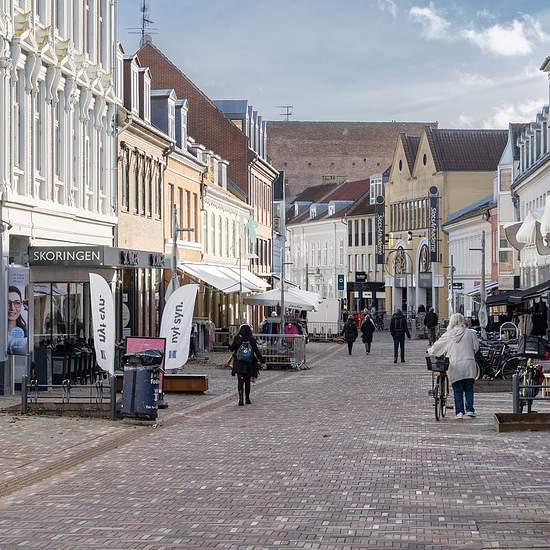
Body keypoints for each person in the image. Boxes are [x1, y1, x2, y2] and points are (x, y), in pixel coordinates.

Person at [427, 312, 479, 419]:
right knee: (469, 388)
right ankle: (470, 410)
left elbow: (438, 346)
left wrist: (430, 351)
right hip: (469, 363)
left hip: (455, 364)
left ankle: (459, 412)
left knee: (457, 389)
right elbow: (476, 347)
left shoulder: (449, 334)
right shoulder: (471, 333)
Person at [229, 324, 266, 406]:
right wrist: (262, 361)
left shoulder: (237, 338)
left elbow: (232, 348)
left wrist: (228, 345)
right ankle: (247, 399)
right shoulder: (251, 339)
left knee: (240, 381)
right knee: (247, 382)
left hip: (239, 363)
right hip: (249, 364)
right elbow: (256, 351)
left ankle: (240, 400)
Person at [7, 286, 28, 355]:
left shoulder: (26, 331)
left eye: (17, 303)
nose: (12, 308)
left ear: (21, 305)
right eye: (8, 303)